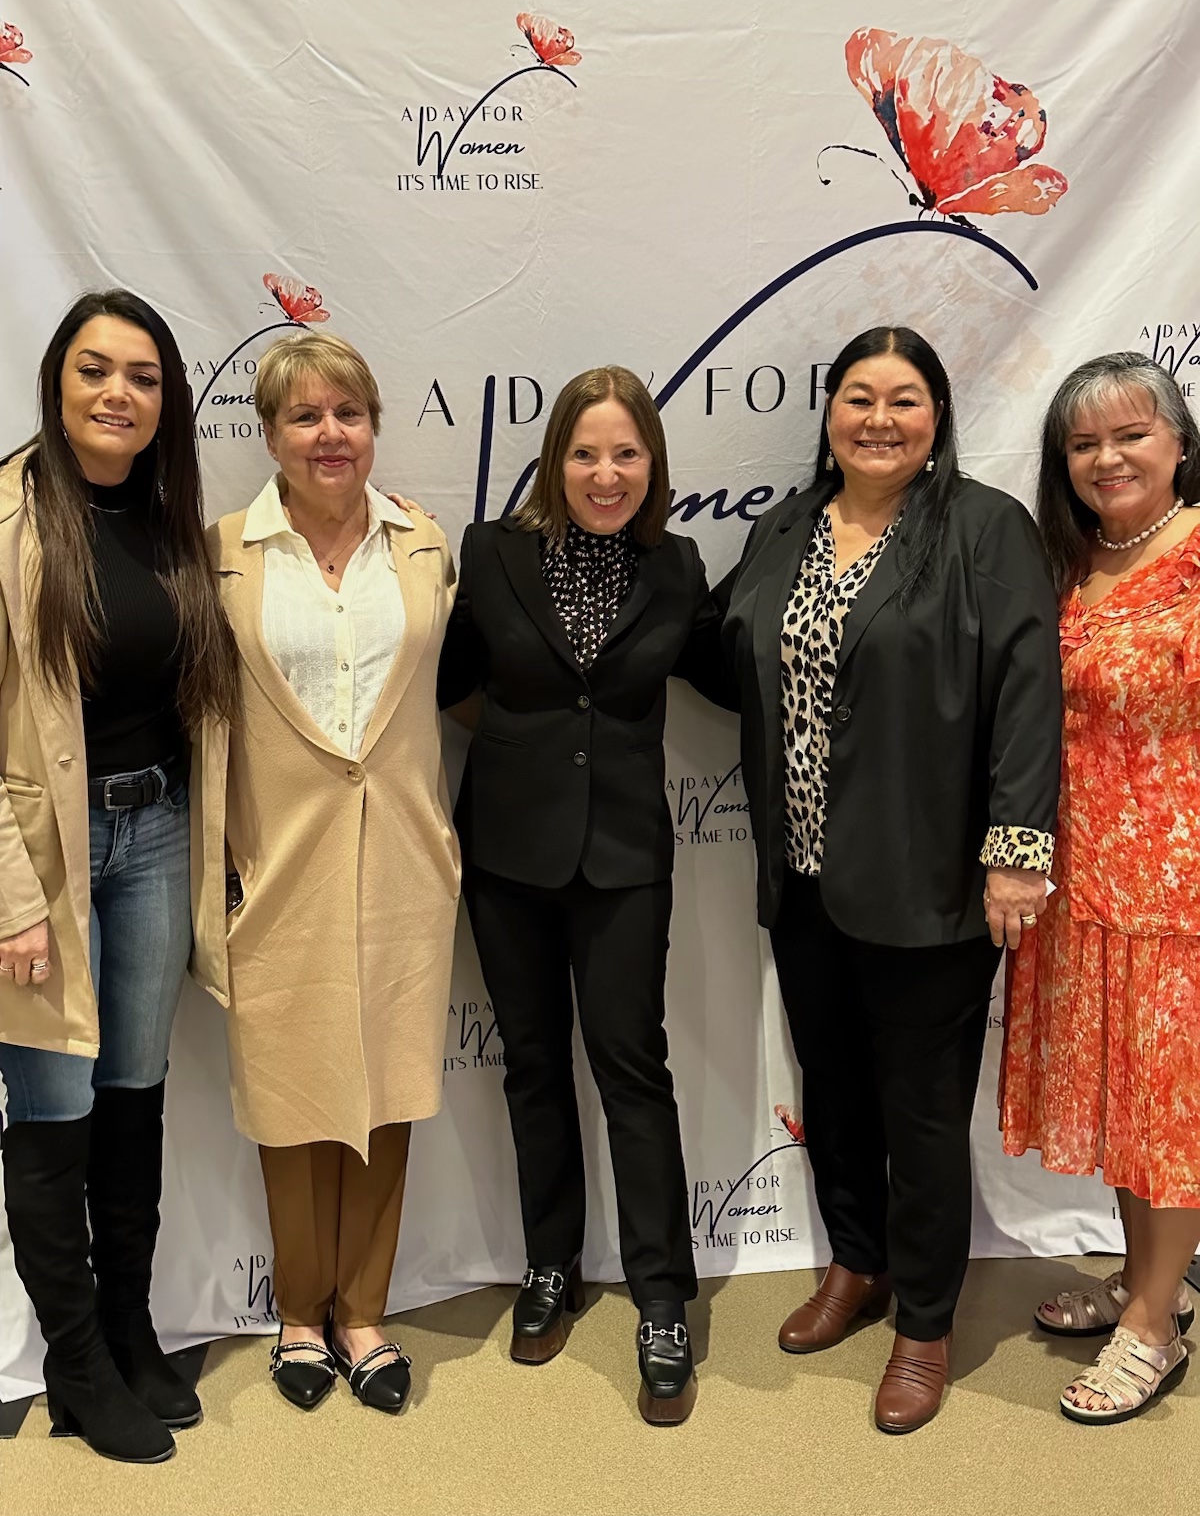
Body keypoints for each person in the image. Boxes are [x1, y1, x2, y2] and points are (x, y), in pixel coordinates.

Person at [707, 326, 1061, 1433]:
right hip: (803, 876)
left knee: (919, 1107)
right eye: (858, 397)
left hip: (928, 882)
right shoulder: (784, 530)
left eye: (904, 400)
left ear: (937, 416)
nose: (879, 418)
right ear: (829, 414)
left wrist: (1016, 849)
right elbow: (717, 645)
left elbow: (1026, 690)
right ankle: (855, 1264)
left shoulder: (982, 529)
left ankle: (925, 1319)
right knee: (837, 1087)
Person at [438, 365, 719, 1426]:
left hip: (625, 861)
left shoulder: (680, 567)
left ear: (653, 466)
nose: (607, 473)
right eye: (586, 453)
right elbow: (450, 677)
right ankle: (549, 1266)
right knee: (532, 1069)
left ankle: (660, 1299)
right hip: (508, 857)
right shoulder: (493, 554)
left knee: (632, 1072)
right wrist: (528, 751)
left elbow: (729, 673)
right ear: (556, 461)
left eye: (628, 454)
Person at [194, 331, 459, 1416]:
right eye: (304, 416)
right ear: (268, 434)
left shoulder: (425, 546)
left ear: (373, 424)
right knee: (292, 1094)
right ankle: (300, 1310)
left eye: (347, 412)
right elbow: (206, 730)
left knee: (389, 1091)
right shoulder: (222, 555)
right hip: (280, 865)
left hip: (402, 863)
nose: (329, 434)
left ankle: (364, 1310)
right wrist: (217, 883)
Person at [0, 289, 239, 1464]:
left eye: (143, 377)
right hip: (41, 862)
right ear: (56, 379)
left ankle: (132, 1321)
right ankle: (77, 1359)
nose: (117, 394)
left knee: (135, 1091)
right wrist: (8, 905)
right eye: (96, 369)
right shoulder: (4, 518)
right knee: (53, 1110)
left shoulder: (168, 518)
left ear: (167, 402)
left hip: (153, 842)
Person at [1001, 352, 1200, 1425]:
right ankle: (1148, 1281)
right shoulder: (1073, 562)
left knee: (1173, 1109)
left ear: (1179, 443)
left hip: (1179, 887)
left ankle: (1154, 1326)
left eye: (1132, 434)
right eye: (1085, 443)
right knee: (1131, 1106)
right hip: (1083, 883)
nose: (1109, 456)